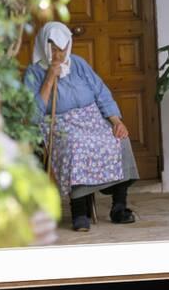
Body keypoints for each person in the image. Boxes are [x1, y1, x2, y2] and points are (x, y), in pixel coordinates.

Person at [23, 21, 140, 232]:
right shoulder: (33, 73)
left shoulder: (78, 64)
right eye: (54, 48)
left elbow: (101, 92)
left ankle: (119, 206)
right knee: (75, 143)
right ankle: (79, 211)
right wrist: (49, 78)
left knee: (118, 138)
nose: (59, 54)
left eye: (63, 48)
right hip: (59, 123)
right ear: (44, 46)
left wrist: (116, 120)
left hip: (92, 119)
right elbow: (32, 116)